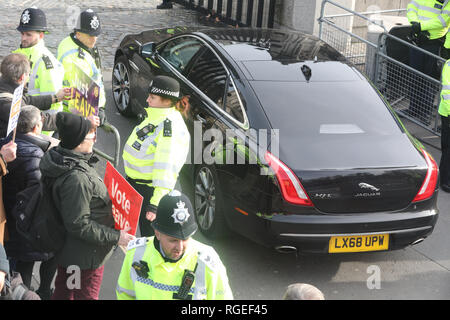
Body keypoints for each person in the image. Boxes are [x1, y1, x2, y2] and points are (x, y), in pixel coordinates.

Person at [39, 112, 135, 300]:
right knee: (82, 295)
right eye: (91, 135)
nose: (94, 138)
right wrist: (117, 237)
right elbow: (78, 224)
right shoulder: (77, 180)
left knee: (66, 291)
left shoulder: (61, 157)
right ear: (78, 142)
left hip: (72, 254)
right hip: (83, 258)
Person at [116, 191, 233, 300]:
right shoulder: (136, 253)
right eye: (173, 240)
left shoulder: (209, 263)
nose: (180, 247)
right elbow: (125, 294)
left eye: (185, 239)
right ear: (157, 234)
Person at [122, 75, 190, 237]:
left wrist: (155, 204)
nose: (147, 100)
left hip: (151, 192)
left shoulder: (170, 129)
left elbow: (166, 170)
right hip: (137, 186)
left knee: (152, 240)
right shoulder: (157, 115)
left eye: (153, 97)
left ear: (167, 101)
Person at [2, 105, 56, 299]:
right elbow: (37, 196)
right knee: (21, 273)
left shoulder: (6, 145)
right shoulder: (34, 156)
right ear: (36, 128)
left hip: (8, 221)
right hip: (22, 227)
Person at [13, 7, 65, 136]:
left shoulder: (46, 63)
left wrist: (41, 137)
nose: (23, 38)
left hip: (36, 132)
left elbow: (53, 106)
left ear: (41, 35)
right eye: (22, 33)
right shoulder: (18, 54)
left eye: (28, 34)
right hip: (17, 125)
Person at [0, 53, 70, 138]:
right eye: (28, 74)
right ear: (22, 77)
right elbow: (36, 121)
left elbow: (25, 100)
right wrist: (72, 121)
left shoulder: (6, 88)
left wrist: (54, 98)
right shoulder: (8, 104)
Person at [57, 9, 106, 125]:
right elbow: (82, 96)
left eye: (96, 35)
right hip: (78, 116)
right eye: (90, 35)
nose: (94, 39)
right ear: (78, 34)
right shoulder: (75, 59)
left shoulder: (72, 41)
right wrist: (98, 110)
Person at [406, 0, 450, 124]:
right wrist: (415, 23)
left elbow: (443, 21)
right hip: (418, 39)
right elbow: (411, 7)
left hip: (433, 43)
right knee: (415, 75)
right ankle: (413, 109)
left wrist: (421, 26)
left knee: (428, 79)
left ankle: (425, 113)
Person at [438, 59, 450, 193]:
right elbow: (447, 93)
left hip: (447, 111)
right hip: (448, 112)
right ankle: (445, 181)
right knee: (448, 148)